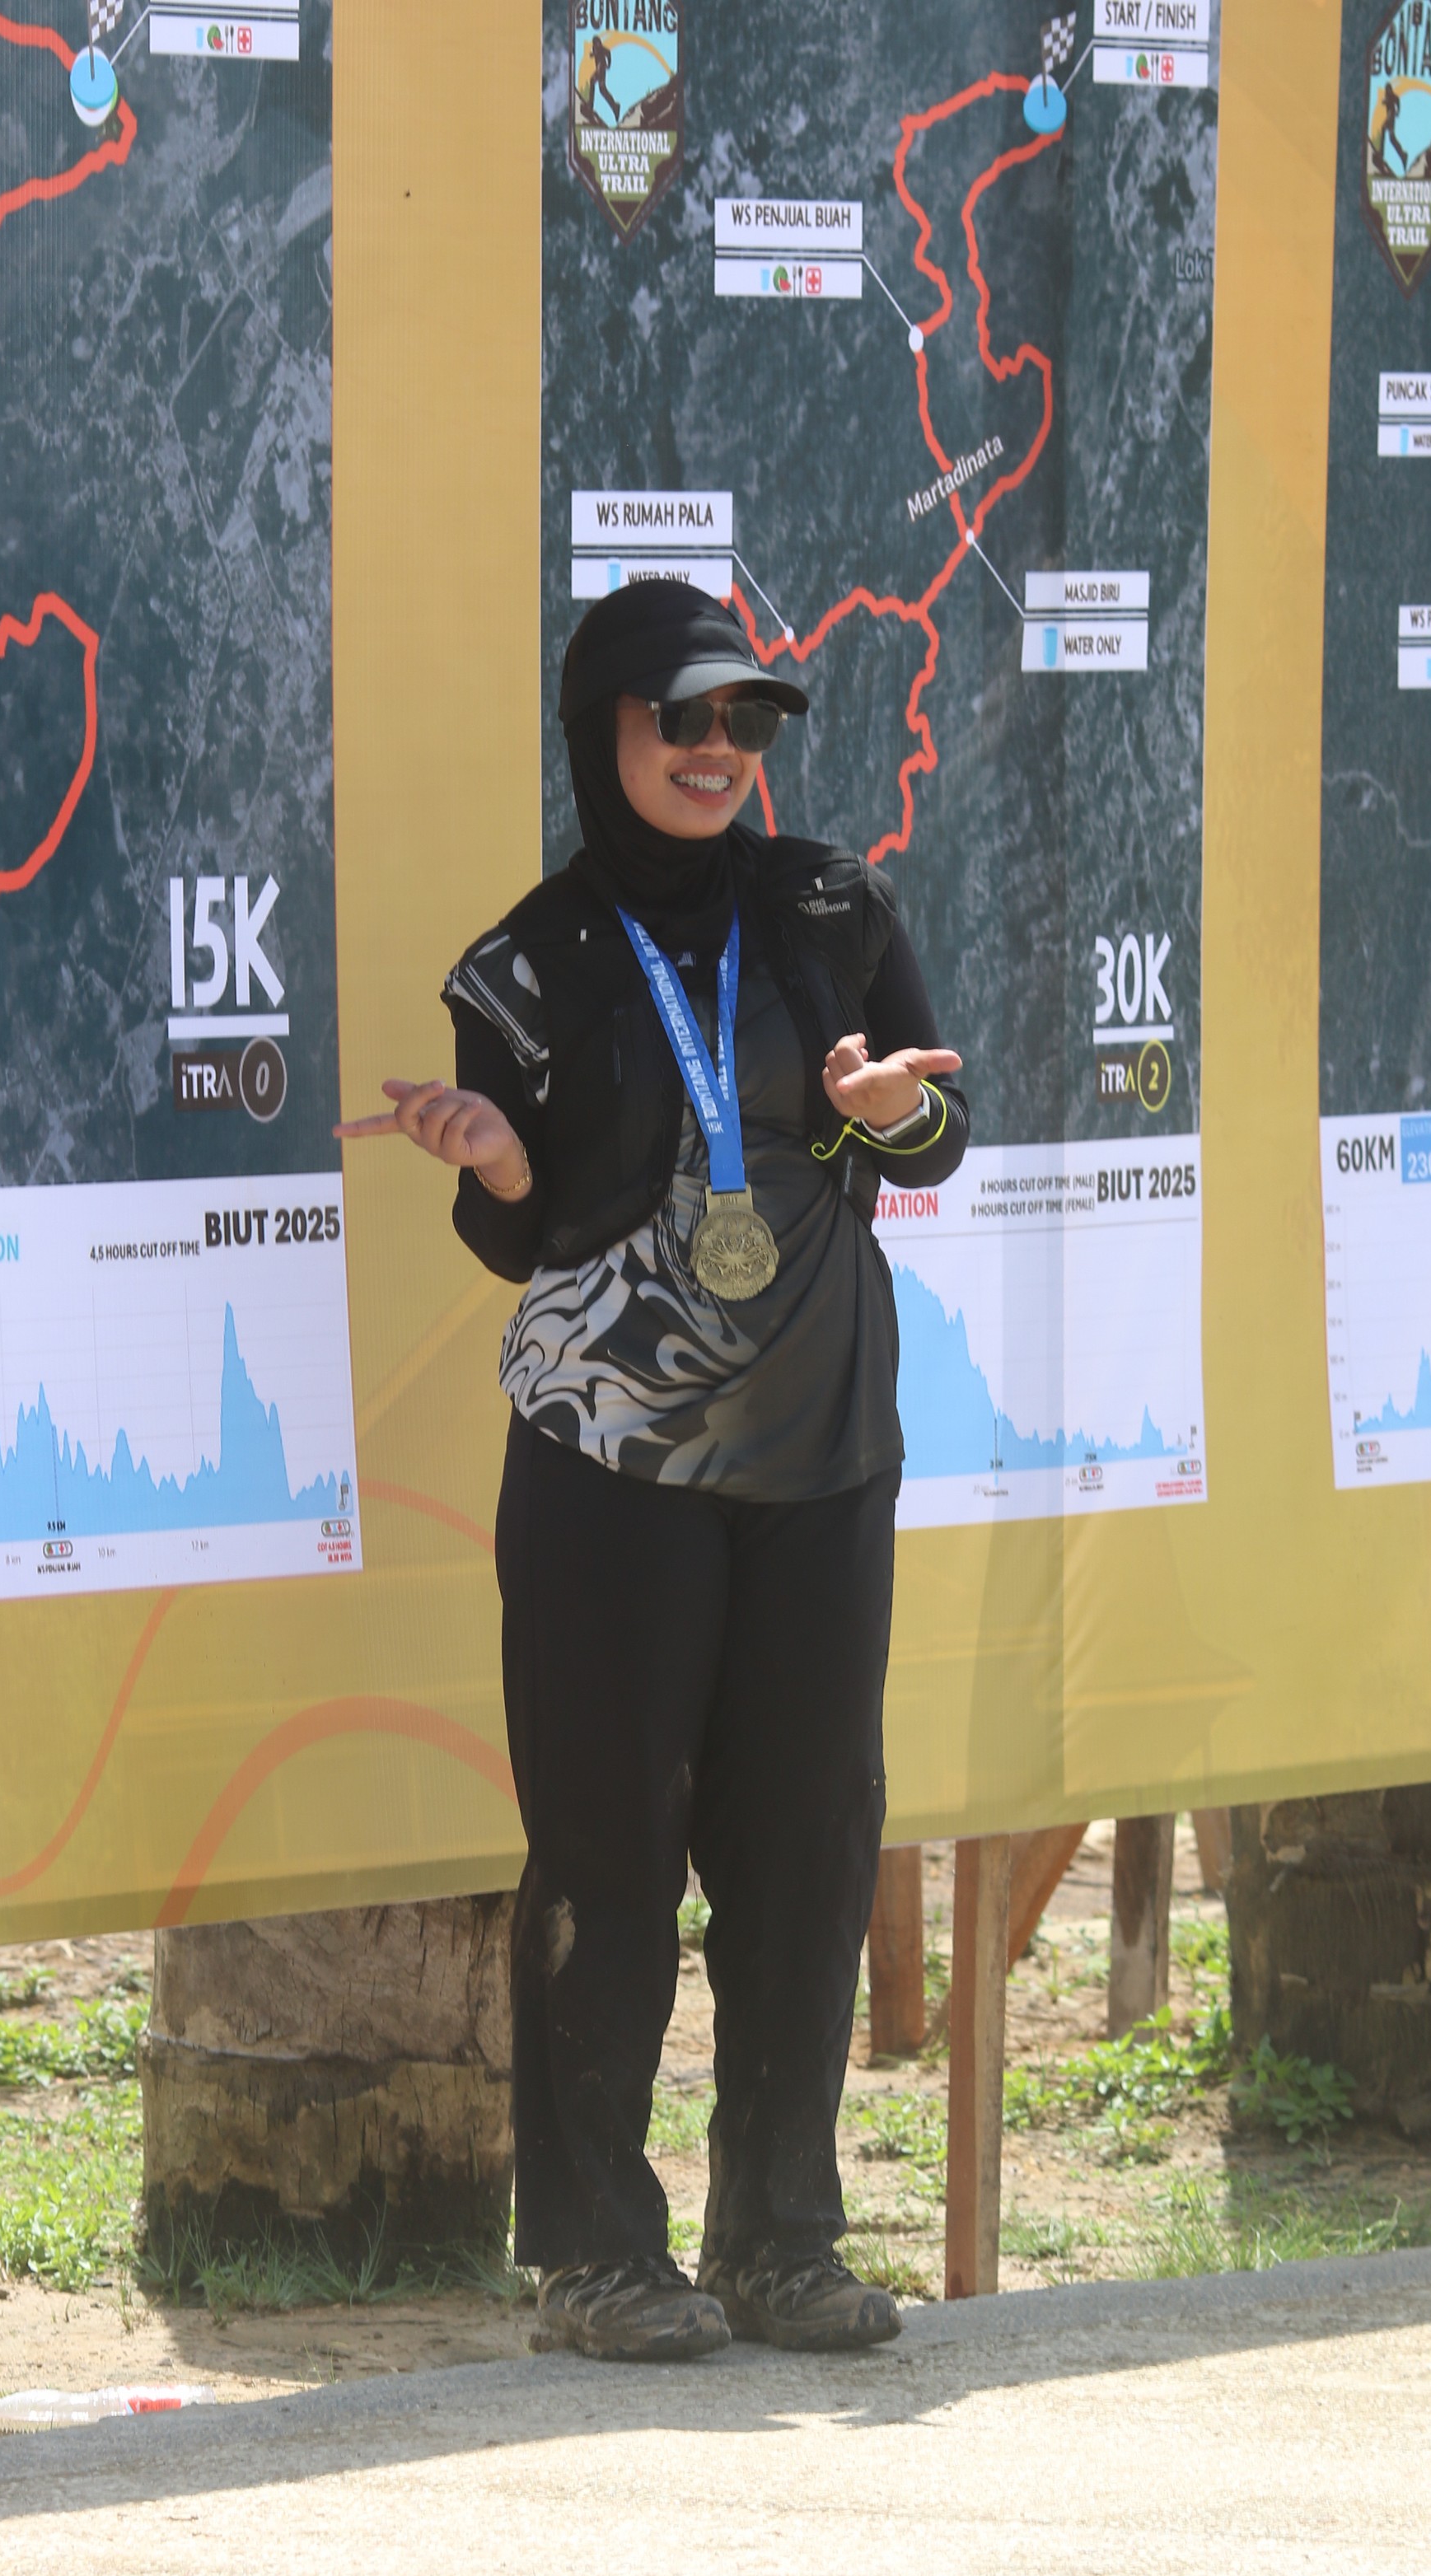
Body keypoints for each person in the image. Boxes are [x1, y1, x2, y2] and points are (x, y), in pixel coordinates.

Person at [337, 580, 968, 2361]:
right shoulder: (526, 968)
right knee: (607, 1854)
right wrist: (496, 1165)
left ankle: (782, 2241)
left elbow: (938, 1132)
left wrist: (893, 1114)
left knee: (810, 1851)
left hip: (823, 1458)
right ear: (598, 732)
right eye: (678, 718)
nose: (715, 751)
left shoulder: (831, 909)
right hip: (609, 1473)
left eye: (741, 721)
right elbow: (518, 1233)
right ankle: (599, 2255)